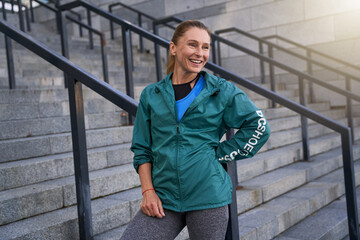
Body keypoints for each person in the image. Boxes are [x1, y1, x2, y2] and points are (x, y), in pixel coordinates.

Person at [121, 20, 270, 240]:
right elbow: (142, 148)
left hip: (207, 196)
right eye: (192, 45)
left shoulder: (221, 91)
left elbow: (259, 126)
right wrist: (148, 191)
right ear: (173, 48)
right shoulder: (152, 95)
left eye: (205, 47)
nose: (199, 53)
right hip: (164, 197)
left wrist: (218, 154)